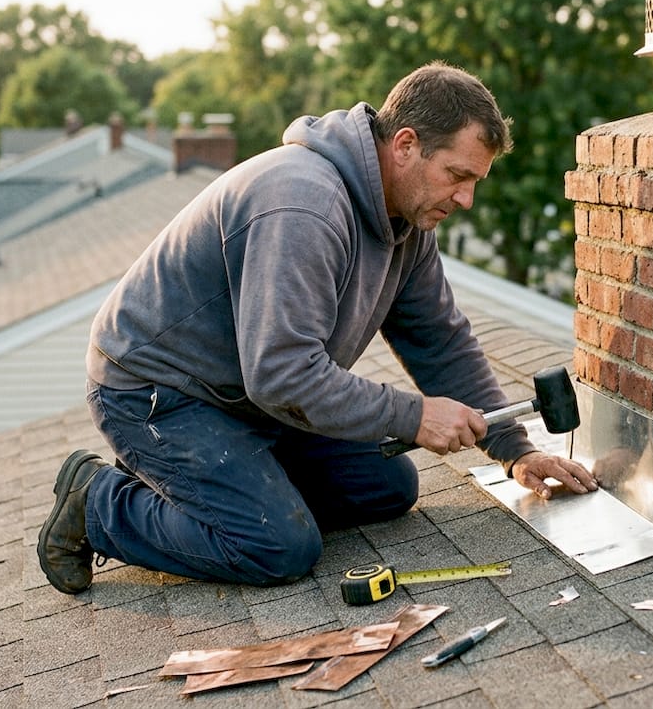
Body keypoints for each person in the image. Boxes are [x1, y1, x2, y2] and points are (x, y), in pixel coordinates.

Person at [37, 62, 597, 595]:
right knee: (277, 546)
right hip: (157, 391)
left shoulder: (407, 225)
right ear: (405, 145)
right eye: (457, 175)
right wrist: (414, 415)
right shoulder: (304, 205)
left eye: (475, 181)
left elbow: (440, 341)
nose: (466, 199)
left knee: (387, 487)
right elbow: (282, 374)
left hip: (243, 395)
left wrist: (515, 451)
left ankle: (216, 482)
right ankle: (98, 502)